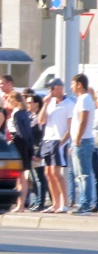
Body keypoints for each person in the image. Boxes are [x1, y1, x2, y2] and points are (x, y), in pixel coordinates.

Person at [39, 78, 74, 213]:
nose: (50, 91)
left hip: (59, 140)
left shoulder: (69, 104)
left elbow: (71, 127)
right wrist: (45, 104)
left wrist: (62, 142)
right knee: (48, 172)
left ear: (59, 88)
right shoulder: (50, 102)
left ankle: (65, 202)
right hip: (47, 139)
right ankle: (55, 203)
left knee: (56, 172)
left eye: (52, 88)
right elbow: (41, 121)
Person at [70, 74, 96, 214]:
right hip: (78, 140)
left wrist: (78, 138)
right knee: (79, 175)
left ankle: (85, 204)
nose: (71, 86)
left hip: (83, 140)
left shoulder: (85, 98)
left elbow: (83, 120)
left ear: (79, 84)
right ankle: (83, 202)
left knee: (84, 174)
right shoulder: (81, 99)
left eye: (73, 83)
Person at [5, 92, 35, 212]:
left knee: (21, 177)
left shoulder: (17, 113)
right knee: (20, 177)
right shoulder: (23, 113)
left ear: (14, 100)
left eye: (9, 99)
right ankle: (20, 204)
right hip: (24, 145)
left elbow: (20, 132)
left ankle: (20, 205)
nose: (8, 102)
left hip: (18, 144)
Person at [23, 91, 48, 210]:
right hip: (31, 151)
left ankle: (40, 203)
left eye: (30, 102)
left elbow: (43, 135)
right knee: (33, 179)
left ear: (37, 103)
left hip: (38, 151)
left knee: (40, 179)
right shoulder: (30, 116)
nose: (27, 104)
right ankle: (36, 201)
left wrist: (39, 153)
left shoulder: (40, 116)